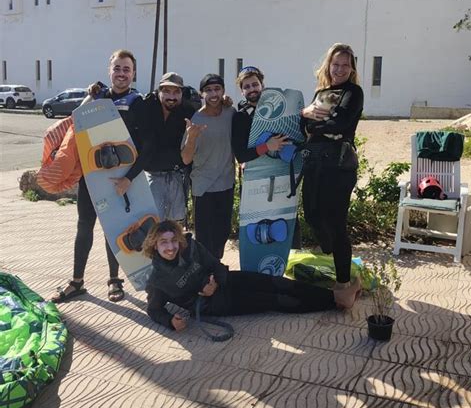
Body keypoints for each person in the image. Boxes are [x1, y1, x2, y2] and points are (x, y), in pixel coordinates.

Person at [51, 49, 147, 303]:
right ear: (109, 71)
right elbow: (76, 123)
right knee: (84, 226)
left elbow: (147, 147)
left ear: (133, 73)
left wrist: (130, 178)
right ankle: (77, 282)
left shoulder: (139, 103)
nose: (121, 74)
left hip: (121, 178)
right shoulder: (97, 98)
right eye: (117, 68)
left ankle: (115, 281)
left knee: (114, 228)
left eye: (126, 69)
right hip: (92, 175)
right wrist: (89, 94)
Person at [144, 220, 360, 331]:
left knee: (276, 283)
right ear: (154, 245)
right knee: (274, 300)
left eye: (173, 240)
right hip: (216, 304)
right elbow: (154, 309)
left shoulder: (190, 246)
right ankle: (335, 302)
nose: (171, 247)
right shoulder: (157, 281)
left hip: (226, 281)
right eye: (164, 242)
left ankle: (336, 297)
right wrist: (170, 321)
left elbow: (215, 265)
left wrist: (215, 281)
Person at [299, 43, 363, 298]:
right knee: (312, 213)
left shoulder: (353, 91)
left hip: (339, 166)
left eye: (345, 65)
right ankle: (330, 249)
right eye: (336, 64)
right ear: (328, 65)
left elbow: (342, 122)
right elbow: (304, 121)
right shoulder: (321, 92)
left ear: (351, 68)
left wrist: (315, 125)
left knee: (337, 224)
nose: (340, 69)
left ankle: (345, 282)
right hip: (316, 163)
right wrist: (307, 116)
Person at [231, 65, 301, 248]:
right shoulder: (240, 118)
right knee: (258, 222)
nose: (251, 89)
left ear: (262, 85)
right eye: (246, 86)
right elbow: (240, 155)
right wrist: (266, 146)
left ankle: (291, 261)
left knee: (287, 218)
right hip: (255, 177)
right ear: (241, 91)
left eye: (255, 84)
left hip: (283, 172)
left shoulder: (281, 112)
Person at [181, 74, 236, 259]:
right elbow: (186, 159)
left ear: (223, 91)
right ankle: (206, 279)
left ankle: (215, 274)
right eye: (209, 90)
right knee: (204, 240)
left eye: (217, 89)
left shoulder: (230, 112)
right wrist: (192, 138)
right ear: (201, 93)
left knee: (222, 234)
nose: (213, 94)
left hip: (227, 183)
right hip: (203, 187)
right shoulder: (195, 120)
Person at [142, 72, 196, 223]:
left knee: (176, 227)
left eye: (176, 91)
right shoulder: (147, 106)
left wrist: (225, 101)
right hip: (150, 176)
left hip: (177, 176)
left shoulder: (189, 111)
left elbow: (211, 108)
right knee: (151, 226)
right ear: (158, 91)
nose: (171, 96)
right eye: (166, 91)